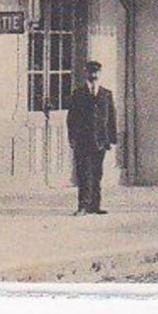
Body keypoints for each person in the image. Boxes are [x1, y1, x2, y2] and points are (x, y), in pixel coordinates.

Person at [67, 60, 117, 215]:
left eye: (96, 72)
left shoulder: (106, 94)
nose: (93, 75)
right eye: (90, 72)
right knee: (83, 174)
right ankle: (83, 206)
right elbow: (71, 118)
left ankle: (95, 205)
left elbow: (111, 117)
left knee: (97, 173)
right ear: (86, 74)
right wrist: (72, 138)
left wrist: (112, 139)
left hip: (101, 141)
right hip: (83, 140)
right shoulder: (78, 94)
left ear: (100, 74)